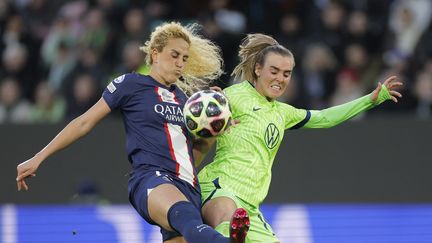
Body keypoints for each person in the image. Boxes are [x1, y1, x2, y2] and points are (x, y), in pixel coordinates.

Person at [16, 22, 249, 243]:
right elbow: (83, 123)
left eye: (185, 58)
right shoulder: (130, 84)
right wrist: (39, 157)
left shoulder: (186, 102)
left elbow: (190, 156)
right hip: (151, 179)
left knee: (188, 222)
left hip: (187, 185)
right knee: (187, 216)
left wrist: (213, 128)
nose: (180, 63)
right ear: (155, 54)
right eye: (174, 55)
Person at [198, 33, 403, 242]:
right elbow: (198, 114)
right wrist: (210, 103)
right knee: (225, 224)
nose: (280, 79)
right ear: (258, 69)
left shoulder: (283, 112)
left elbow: (324, 118)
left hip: (249, 207)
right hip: (221, 187)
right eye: (274, 71)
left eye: (286, 74)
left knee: (237, 226)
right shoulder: (233, 96)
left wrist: (370, 100)